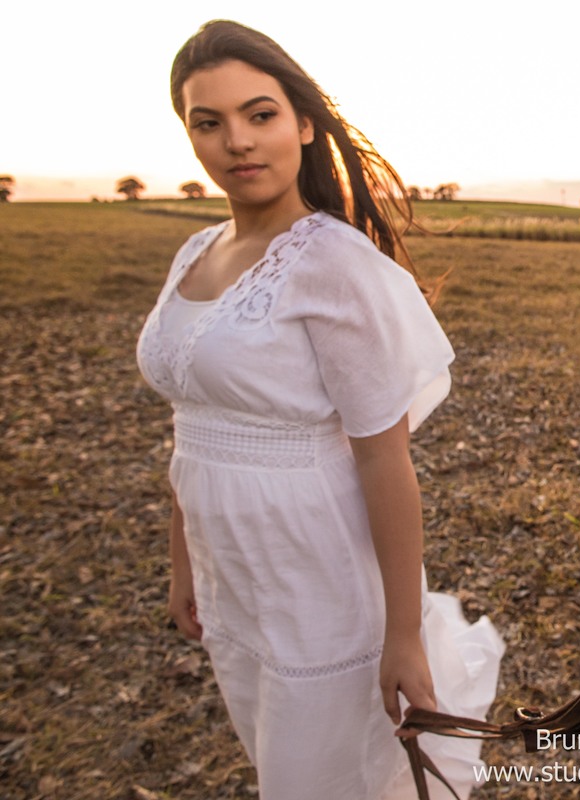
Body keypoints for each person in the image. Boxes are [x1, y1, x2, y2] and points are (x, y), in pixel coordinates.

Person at [136, 20, 503, 800]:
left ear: (303, 124)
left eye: (259, 114)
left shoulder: (335, 264)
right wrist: (184, 565)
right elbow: (192, 428)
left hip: (317, 574)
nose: (237, 140)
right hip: (234, 569)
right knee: (274, 754)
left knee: (321, 779)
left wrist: (402, 635)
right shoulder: (194, 252)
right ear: (191, 136)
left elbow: (383, 455)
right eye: (209, 122)